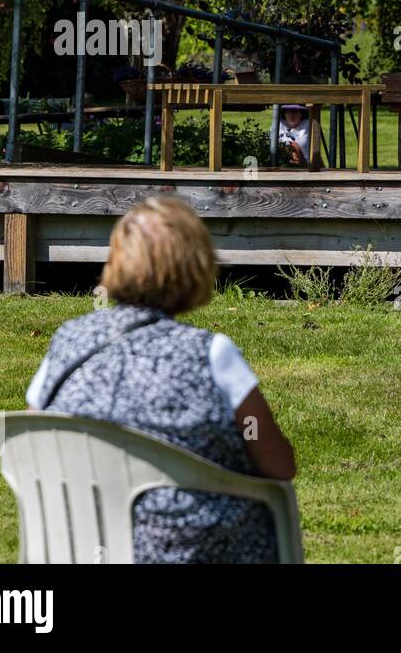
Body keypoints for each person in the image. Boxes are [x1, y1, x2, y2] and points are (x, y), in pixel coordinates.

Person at [25, 195, 295, 563]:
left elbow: (35, 439)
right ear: (194, 266)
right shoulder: (212, 354)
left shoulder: (67, 343)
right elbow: (278, 465)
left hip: (78, 549)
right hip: (190, 552)